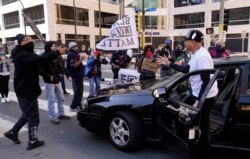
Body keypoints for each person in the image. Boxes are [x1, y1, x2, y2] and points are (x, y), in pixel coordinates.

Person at [157, 29, 218, 150]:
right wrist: (170, 63)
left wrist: (198, 100)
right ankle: (187, 142)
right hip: (198, 94)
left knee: (203, 125)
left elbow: (206, 81)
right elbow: (187, 70)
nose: (184, 43)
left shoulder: (203, 57)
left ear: (193, 42)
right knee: (184, 114)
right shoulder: (196, 54)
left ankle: (203, 149)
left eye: (186, 41)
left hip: (205, 97)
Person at [4, 34, 66, 150]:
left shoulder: (28, 54)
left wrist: (48, 75)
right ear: (19, 43)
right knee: (33, 117)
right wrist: (56, 53)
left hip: (29, 89)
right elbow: (40, 59)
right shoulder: (21, 55)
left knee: (27, 115)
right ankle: (32, 141)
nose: (30, 41)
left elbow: (38, 66)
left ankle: (12, 132)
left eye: (30, 39)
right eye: (25, 40)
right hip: (25, 91)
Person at [40, 41, 71, 124]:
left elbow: (61, 66)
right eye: (52, 46)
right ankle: (52, 117)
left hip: (58, 80)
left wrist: (68, 75)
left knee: (61, 98)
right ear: (48, 47)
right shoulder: (44, 56)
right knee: (51, 100)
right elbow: (40, 69)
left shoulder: (56, 56)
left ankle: (61, 114)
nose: (53, 47)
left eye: (54, 46)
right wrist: (48, 76)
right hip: (49, 82)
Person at [66, 42, 84, 112]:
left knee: (80, 91)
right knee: (77, 91)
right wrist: (81, 59)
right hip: (76, 76)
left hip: (78, 75)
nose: (77, 47)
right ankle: (73, 106)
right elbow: (74, 65)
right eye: (75, 46)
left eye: (76, 46)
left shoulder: (74, 54)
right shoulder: (71, 54)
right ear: (72, 48)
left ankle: (78, 105)